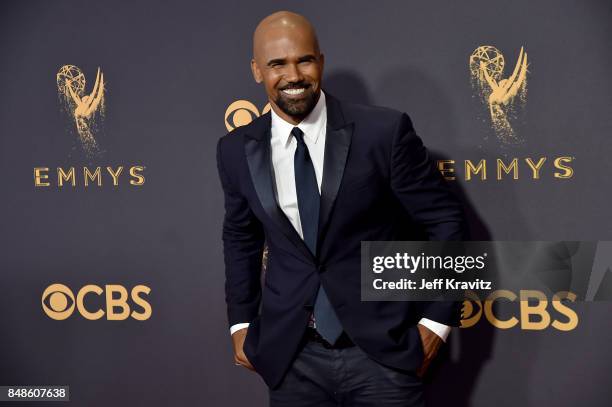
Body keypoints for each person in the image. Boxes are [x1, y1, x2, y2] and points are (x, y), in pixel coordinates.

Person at [216, 10, 466, 406]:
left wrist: (437, 323)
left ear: (321, 60)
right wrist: (241, 323)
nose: (293, 75)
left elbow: (445, 221)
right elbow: (241, 237)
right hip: (291, 358)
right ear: (256, 69)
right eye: (277, 63)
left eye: (305, 59)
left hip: (382, 354)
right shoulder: (234, 150)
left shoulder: (382, 132)